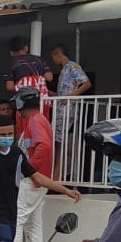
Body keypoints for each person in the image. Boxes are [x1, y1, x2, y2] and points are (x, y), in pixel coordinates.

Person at [0, 115, 80, 242]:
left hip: (11, 214)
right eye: (2, 135)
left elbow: (37, 176)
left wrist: (66, 190)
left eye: (10, 134)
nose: (7, 137)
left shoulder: (17, 154)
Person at [12, 87, 55, 242]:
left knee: (18, 219)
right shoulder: (39, 119)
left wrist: (29, 168)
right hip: (38, 180)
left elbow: (43, 145)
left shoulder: (35, 121)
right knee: (34, 222)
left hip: (31, 179)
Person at [50, 44, 92, 179]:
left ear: (58, 55)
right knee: (56, 141)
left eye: (53, 57)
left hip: (67, 111)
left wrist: (71, 96)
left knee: (59, 141)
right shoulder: (63, 70)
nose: (53, 61)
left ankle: (56, 176)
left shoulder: (72, 66)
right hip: (60, 109)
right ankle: (54, 175)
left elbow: (86, 83)